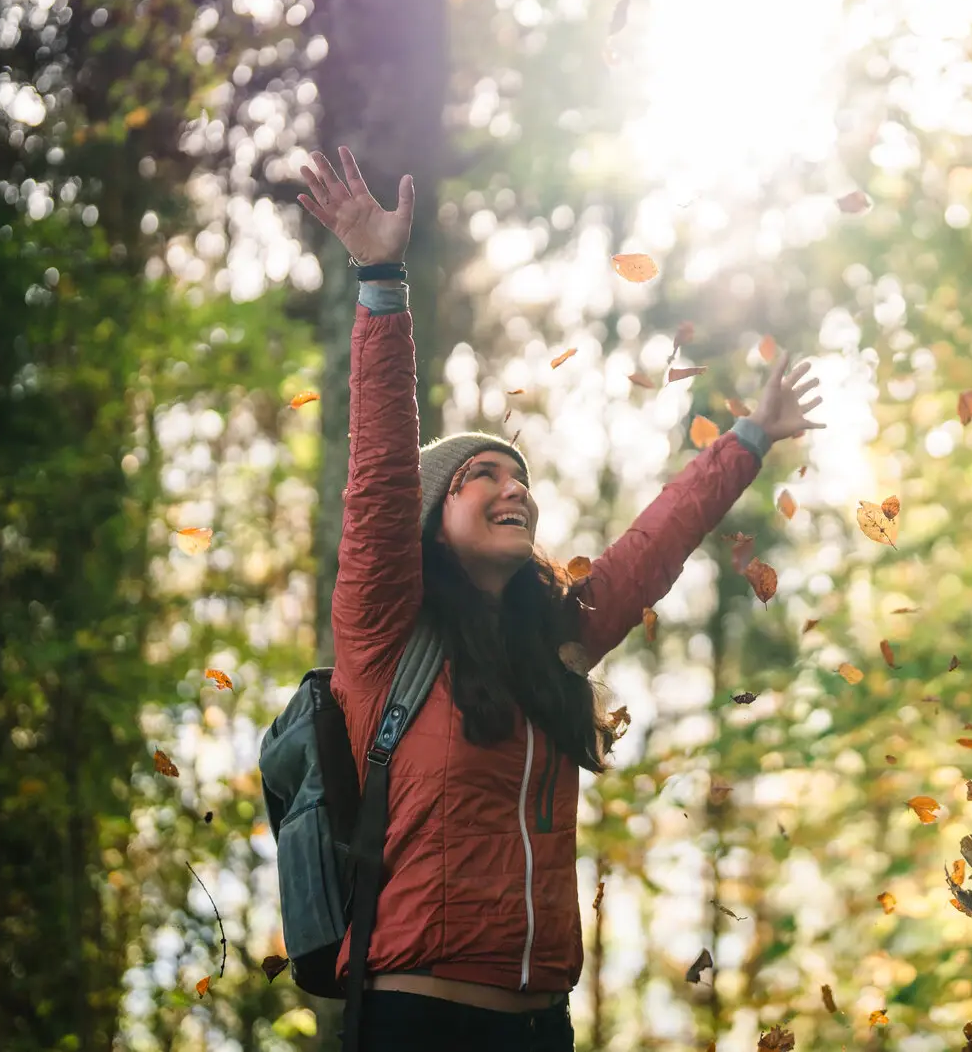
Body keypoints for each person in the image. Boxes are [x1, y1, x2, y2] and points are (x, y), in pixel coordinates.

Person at [294, 148, 824, 1051]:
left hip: (543, 1027)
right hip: (416, 1021)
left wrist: (748, 437)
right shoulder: (385, 634)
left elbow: (655, 544)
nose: (515, 489)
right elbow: (379, 473)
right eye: (482, 476)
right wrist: (382, 281)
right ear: (431, 518)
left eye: (522, 480)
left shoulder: (554, 641)